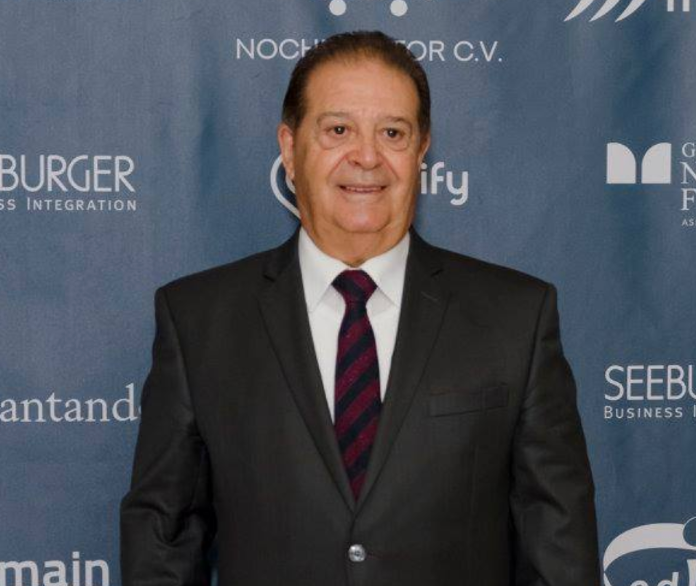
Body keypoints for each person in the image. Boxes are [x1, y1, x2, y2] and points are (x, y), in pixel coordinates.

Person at [120, 30, 600, 586]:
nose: (367, 157)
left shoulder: (516, 318)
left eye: (392, 133)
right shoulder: (198, 320)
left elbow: (559, 551)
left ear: (421, 151)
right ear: (289, 148)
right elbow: (163, 540)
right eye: (338, 130)